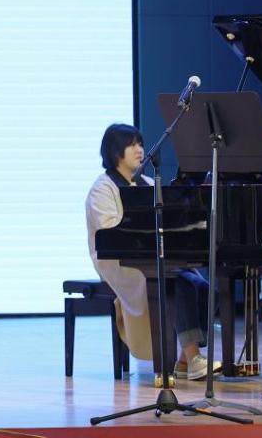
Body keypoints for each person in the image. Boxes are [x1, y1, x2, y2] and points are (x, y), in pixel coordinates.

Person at [86, 123, 221, 381]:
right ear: (115, 152)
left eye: (140, 144)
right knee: (179, 284)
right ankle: (193, 357)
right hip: (119, 262)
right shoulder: (102, 188)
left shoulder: (148, 182)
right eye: (132, 145)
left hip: (151, 255)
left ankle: (184, 360)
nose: (140, 150)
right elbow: (108, 230)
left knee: (206, 288)